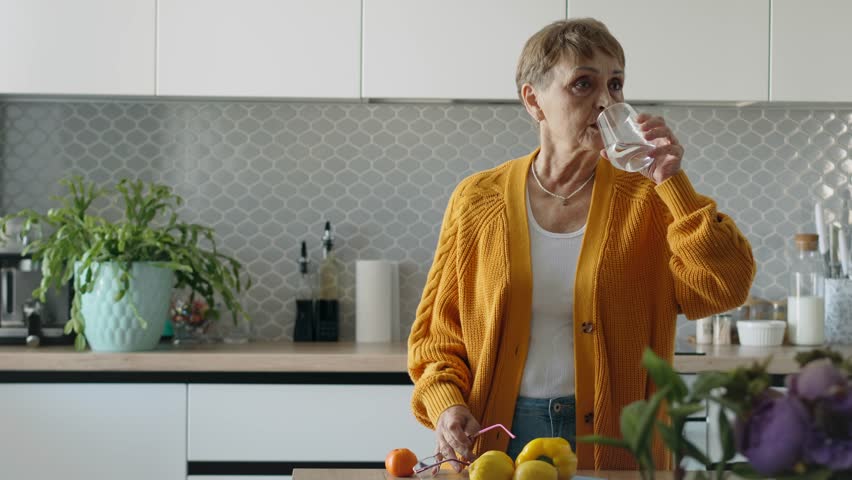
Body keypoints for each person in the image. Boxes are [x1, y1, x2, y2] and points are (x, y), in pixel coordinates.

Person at [407, 18, 755, 471]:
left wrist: (673, 183)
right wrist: (447, 406)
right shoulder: (478, 200)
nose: (606, 101)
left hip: (618, 441)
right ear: (534, 101)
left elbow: (725, 286)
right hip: (496, 439)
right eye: (583, 84)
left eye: (615, 84)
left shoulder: (648, 197)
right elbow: (436, 338)